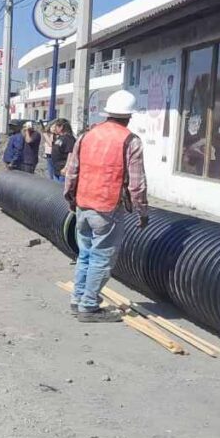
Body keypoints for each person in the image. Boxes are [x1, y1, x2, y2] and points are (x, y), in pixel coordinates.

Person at [64, 90, 148, 323]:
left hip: (83, 204)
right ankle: (89, 307)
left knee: (85, 254)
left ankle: (77, 298)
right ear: (129, 116)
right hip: (107, 207)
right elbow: (137, 183)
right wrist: (142, 212)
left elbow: (72, 171)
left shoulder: (87, 136)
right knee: (101, 258)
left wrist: (71, 199)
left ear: (108, 113)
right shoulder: (130, 141)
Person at [51, 118, 76, 183]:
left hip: (63, 170)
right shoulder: (59, 137)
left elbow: (71, 154)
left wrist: (66, 167)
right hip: (57, 169)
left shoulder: (69, 138)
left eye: (56, 126)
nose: (54, 128)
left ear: (61, 127)